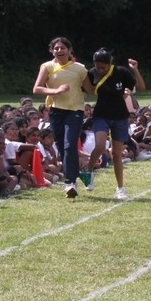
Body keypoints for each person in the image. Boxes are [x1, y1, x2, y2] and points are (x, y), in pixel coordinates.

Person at [32, 37, 92, 199]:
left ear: (70, 50)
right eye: (56, 48)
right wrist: (55, 91)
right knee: (62, 147)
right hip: (56, 111)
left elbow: (91, 89)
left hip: (75, 111)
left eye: (63, 48)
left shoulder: (80, 68)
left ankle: (70, 182)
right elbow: (37, 89)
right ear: (52, 51)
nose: (59, 51)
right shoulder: (47, 66)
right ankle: (77, 174)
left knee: (69, 145)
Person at [86, 48, 145, 200]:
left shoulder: (121, 72)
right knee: (100, 146)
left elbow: (141, 87)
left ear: (110, 63)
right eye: (98, 67)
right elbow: (84, 89)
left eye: (103, 67)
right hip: (101, 115)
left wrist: (135, 69)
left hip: (120, 117)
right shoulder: (92, 73)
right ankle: (88, 171)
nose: (100, 70)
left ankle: (120, 188)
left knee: (117, 154)